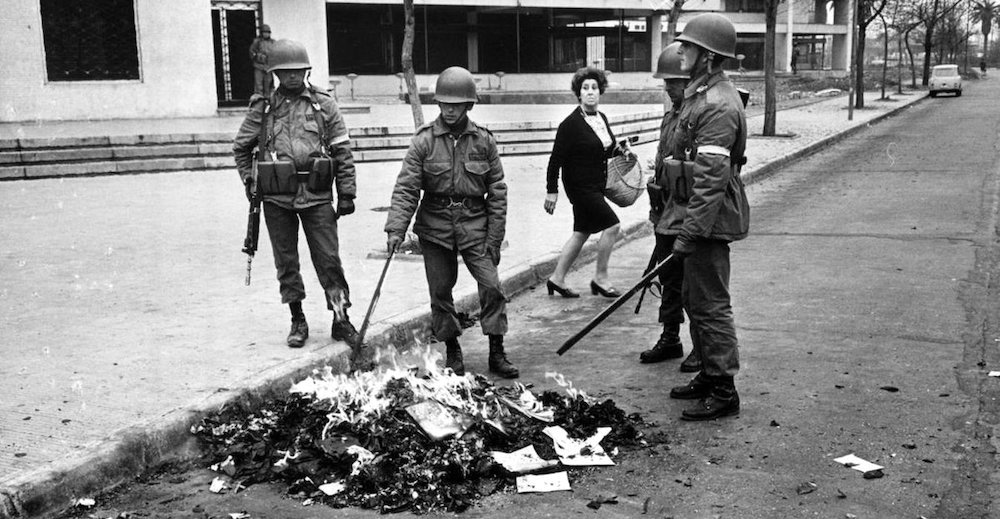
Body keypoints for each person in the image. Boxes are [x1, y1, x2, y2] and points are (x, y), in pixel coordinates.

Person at [384, 66, 519, 379]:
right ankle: (452, 349)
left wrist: (494, 238)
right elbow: (406, 187)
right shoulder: (424, 142)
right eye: (444, 104)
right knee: (440, 291)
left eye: (456, 104)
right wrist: (395, 229)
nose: (449, 109)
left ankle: (496, 350)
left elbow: (497, 192)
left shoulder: (484, 141)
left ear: (469, 105)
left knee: (491, 286)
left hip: (475, 223)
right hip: (435, 226)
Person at [233, 39, 360, 350]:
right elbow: (241, 148)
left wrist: (346, 193)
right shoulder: (263, 109)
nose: (292, 76)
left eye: (298, 70)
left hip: (316, 196)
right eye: (285, 71)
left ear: (306, 70)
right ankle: (297, 318)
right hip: (278, 198)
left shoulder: (323, 104)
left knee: (329, 259)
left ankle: (341, 318)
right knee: (286, 262)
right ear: (275, 74)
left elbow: (342, 151)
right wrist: (251, 181)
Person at [664, 13, 750, 421]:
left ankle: (723, 389)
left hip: (708, 219)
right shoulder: (702, 95)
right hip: (697, 214)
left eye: (688, 45)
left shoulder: (716, 105)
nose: (681, 50)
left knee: (711, 304)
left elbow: (712, 179)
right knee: (694, 300)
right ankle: (708, 373)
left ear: (709, 57)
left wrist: (689, 233)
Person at [638, 41, 701, 373]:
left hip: (687, 213)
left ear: (688, 81)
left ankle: (701, 347)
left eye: (671, 83)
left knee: (693, 285)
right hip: (665, 212)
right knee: (668, 279)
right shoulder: (670, 117)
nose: (667, 87)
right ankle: (670, 336)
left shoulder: (696, 117)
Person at [544, 67, 631, 299]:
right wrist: (551, 191)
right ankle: (600, 278)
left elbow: (603, 150)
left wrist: (619, 150)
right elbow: (555, 160)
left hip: (595, 185)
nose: (590, 93)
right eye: (585, 89)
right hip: (579, 187)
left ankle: (556, 279)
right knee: (612, 226)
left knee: (581, 232)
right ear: (579, 94)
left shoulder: (601, 119)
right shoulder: (570, 124)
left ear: (600, 92)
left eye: (594, 88)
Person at [250, 24, 275, 97]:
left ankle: (269, 101)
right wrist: (259, 57)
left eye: (268, 32)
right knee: (259, 85)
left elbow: (276, 52)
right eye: (264, 32)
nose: (266, 34)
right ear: (261, 33)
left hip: (268, 66)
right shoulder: (257, 41)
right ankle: (259, 102)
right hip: (259, 66)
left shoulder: (273, 42)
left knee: (269, 85)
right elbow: (252, 53)